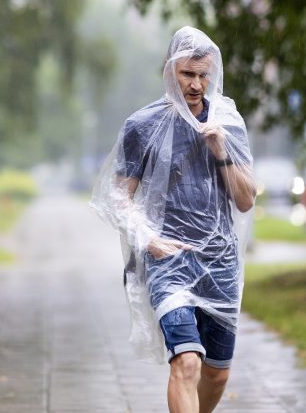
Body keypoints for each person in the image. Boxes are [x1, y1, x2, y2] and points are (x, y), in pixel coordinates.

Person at [91, 26, 256, 413]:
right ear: (169, 71)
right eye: (187, 74)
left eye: (203, 75)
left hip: (220, 264)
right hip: (169, 260)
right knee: (186, 362)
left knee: (216, 374)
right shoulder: (142, 126)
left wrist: (220, 148)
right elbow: (119, 196)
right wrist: (149, 240)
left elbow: (246, 200)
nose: (197, 85)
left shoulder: (228, 124)